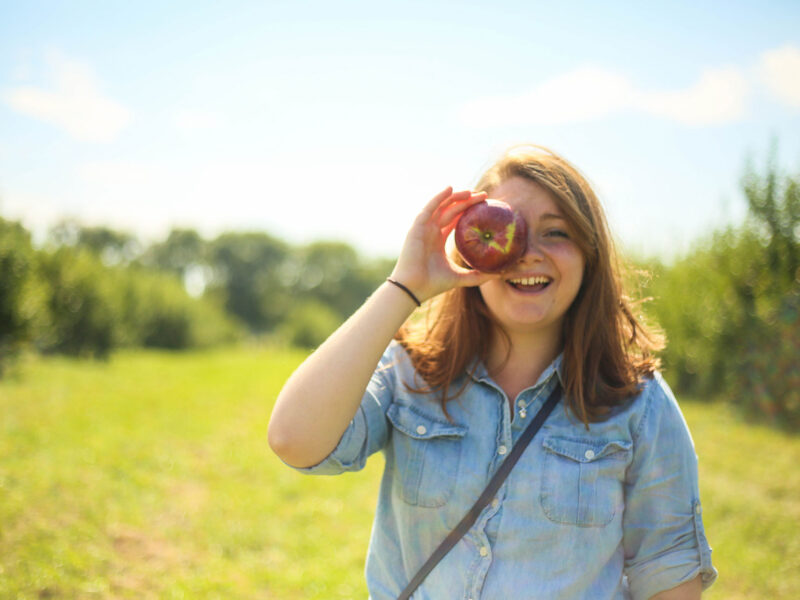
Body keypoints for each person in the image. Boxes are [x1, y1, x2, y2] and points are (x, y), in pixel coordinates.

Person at [268, 145, 718, 599]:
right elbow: (295, 440)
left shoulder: (637, 402)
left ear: (589, 255)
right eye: (512, 231)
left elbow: (668, 571)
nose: (528, 253)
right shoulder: (410, 372)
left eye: (556, 232)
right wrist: (405, 285)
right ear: (470, 250)